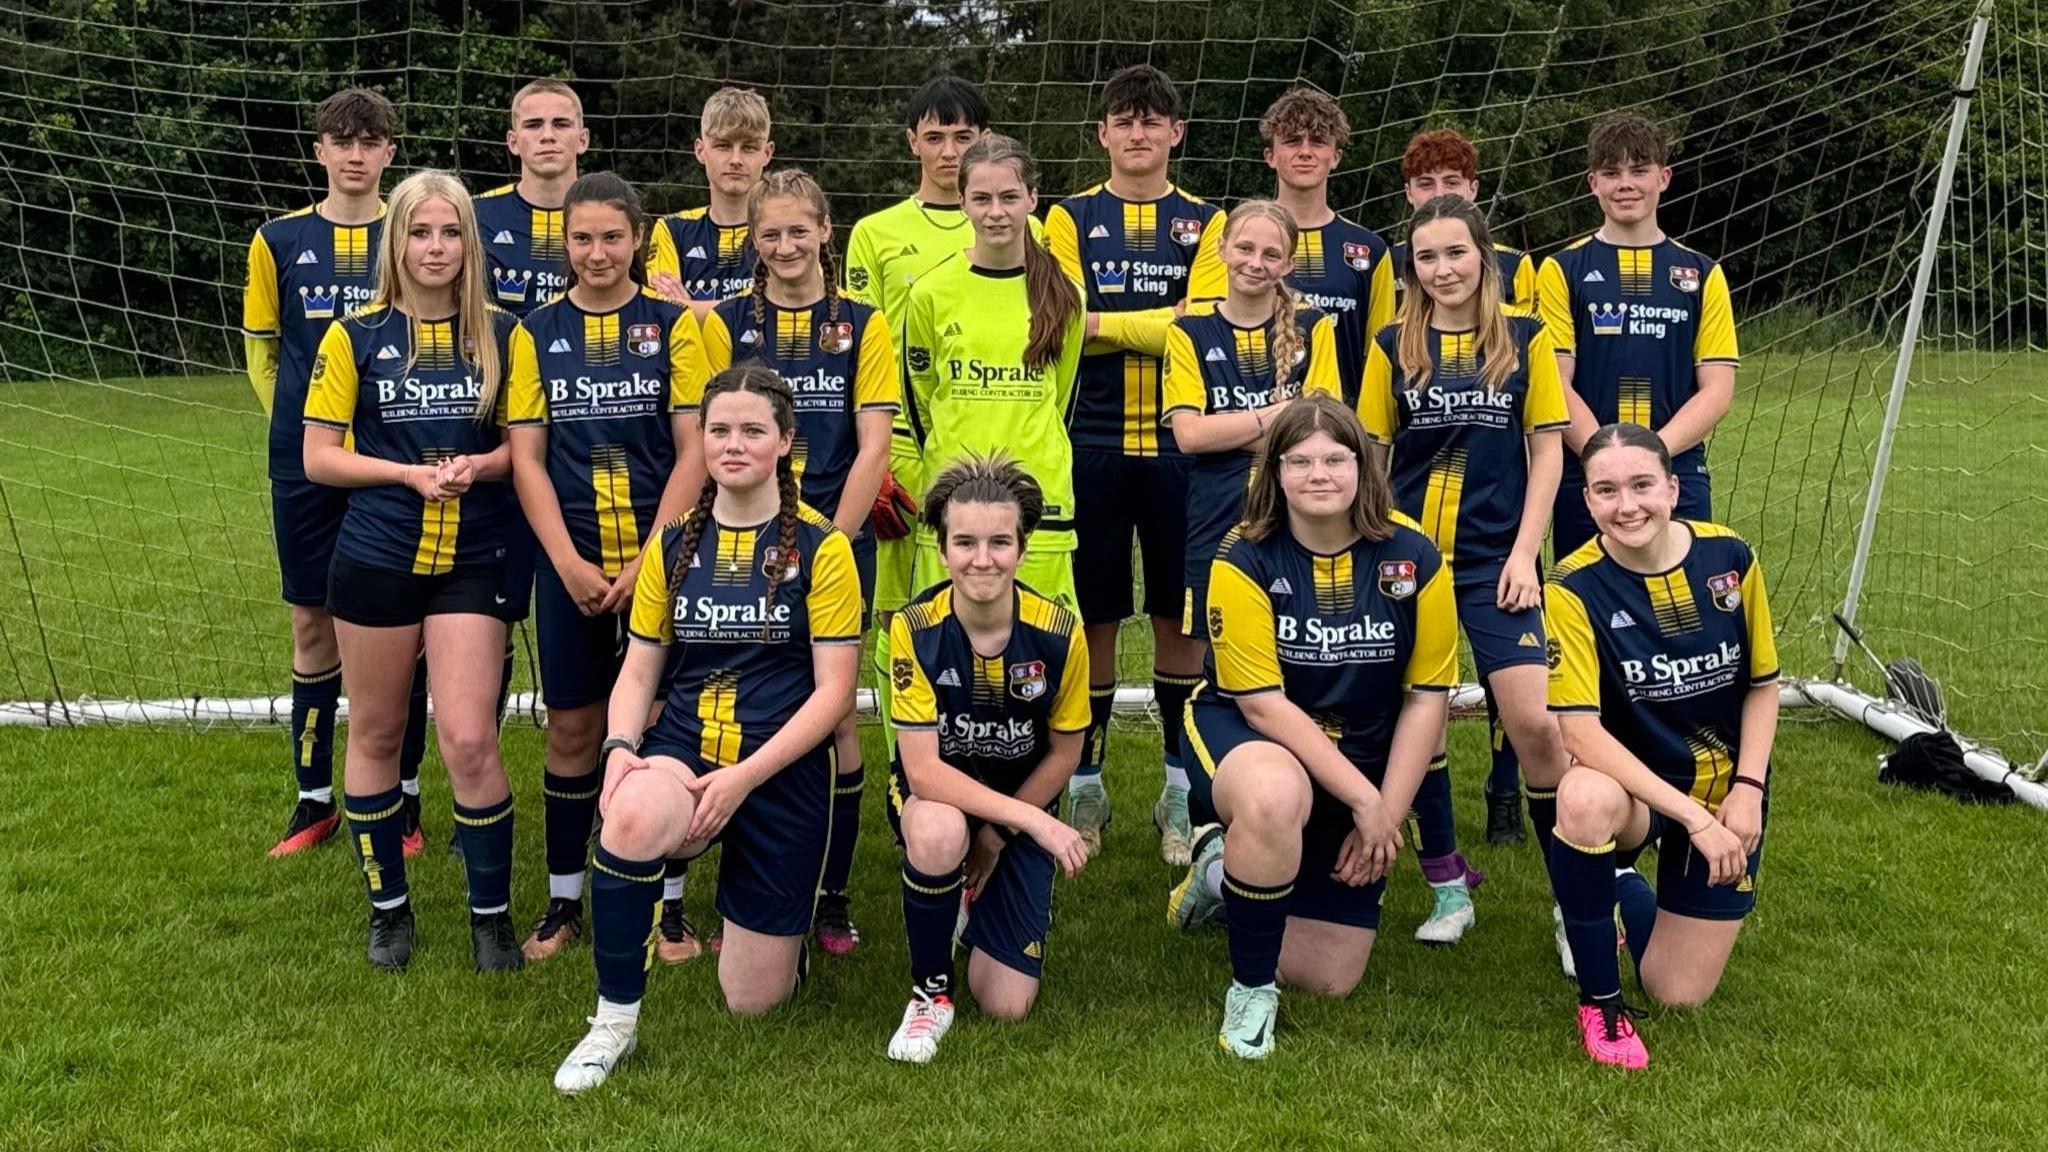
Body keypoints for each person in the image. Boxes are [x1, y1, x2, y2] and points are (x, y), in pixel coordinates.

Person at [552, 364, 863, 1095]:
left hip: (779, 772)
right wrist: (622, 751)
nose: (733, 445)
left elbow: (835, 695)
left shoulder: (823, 549)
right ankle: (613, 1024)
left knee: (754, 1004)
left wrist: (745, 779)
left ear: (785, 443)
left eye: (753, 430)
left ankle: (767, 934)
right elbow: (639, 671)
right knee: (628, 816)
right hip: (686, 754)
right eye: (719, 429)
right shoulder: (671, 546)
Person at [1165, 394, 1457, 1059]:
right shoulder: (1244, 554)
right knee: (1274, 798)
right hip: (1251, 734)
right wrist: (1367, 802)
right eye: (1299, 461)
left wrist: (1388, 810)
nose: (1319, 474)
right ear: (1275, 473)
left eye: (1335, 458)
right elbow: (1263, 703)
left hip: (1358, 750)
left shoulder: (1414, 554)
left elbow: (1426, 700)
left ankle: (1220, 876)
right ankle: (1250, 989)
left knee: (1327, 977)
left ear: (1363, 467)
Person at [300, 170, 522, 972]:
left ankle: (490, 918)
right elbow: (318, 459)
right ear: (396, 242)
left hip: (472, 555)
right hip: (377, 555)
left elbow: (524, 452)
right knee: (381, 732)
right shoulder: (352, 335)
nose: (436, 248)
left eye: (451, 232)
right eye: (420, 233)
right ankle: (388, 911)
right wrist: (404, 476)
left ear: (471, 243)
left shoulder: (505, 334)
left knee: (468, 736)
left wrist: (479, 464)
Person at [1358, 195, 1574, 947]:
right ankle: (1449, 888)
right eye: (1427, 257)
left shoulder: (1525, 337)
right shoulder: (1391, 344)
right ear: (1410, 268)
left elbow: (1547, 451)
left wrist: (1524, 554)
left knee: (1536, 725)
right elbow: (1372, 461)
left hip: (1495, 564)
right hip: (1409, 567)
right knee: (1420, 726)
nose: (1443, 268)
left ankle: (1572, 898)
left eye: (1456, 252)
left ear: (1483, 254)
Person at [506, 171, 708, 963]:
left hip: (665, 563)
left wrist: (653, 561)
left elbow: (693, 449)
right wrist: (565, 561)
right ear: (566, 243)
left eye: (612, 238)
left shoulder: (672, 326)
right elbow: (526, 459)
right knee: (573, 729)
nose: (597, 252)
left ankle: (669, 908)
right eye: (582, 239)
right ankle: (564, 903)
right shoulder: (536, 331)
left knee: (665, 730)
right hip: (573, 567)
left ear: (637, 241)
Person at [701, 167, 898, 955]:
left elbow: (874, 443)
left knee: (836, 717)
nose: (785, 246)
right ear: (754, 240)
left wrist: (831, 546)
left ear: (826, 230)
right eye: (769, 233)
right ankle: (739, 895)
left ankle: (833, 895)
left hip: (832, 548)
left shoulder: (863, 323)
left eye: (798, 230)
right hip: (736, 545)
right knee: (734, 711)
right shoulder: (723, 323)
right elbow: (712, 438)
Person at [1543, 422, 1778, 1069]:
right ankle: (1601, 1004)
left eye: (1643, 484)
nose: (1628, 505)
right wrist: (1693, 818)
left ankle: (1614, 886)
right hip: (1634, 791)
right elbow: (1580, 733)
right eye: (1607, 490)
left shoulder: (1729, 558)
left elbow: (1762, 685)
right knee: (1583, 797)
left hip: (1724, 787)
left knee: (1678, 993)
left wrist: (1749, 792)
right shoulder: (1570, 586)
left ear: (1674, 488)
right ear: (1587, 502)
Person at [245, 88, 441, 858]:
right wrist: (298, 429)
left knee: (410, 628)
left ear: (390, 151)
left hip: (400, 457)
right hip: (310, 465)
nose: (356, 154)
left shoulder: (418, 231)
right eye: (341, 141)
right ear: (320, 151)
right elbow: (262, 347)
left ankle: (407, 799)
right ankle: (313, 798)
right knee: (311, 623)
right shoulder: (278, 239)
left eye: (371, 141)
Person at [1043, 63, 1226, 865]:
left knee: (1181, 620)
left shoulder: (1209, 222)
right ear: (1103, 133)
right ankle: (1087, 782)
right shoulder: (1067, 217)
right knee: (1097, 618)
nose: (1139, 132)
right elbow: (1065, 326)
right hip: (1091, 443)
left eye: (1154, 120)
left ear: (1176, 133)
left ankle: (1180, 788)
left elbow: (1207, 324)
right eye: (1125, 119)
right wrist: (1163, 319)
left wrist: (1111, 321)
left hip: (1186, 448)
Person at [897, 135, 1086, 813]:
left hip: (1043, 516)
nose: (997, 211)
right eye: (982, 197)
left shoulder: (1064, 293)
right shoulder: (930, 292)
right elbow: (919, 403)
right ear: (962, 199)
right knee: (943, 669)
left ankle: (1031, 825)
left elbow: (1057, 401)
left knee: (1042, 669)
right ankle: (933, 821)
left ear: (1033, 199)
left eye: (1010, 196)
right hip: (957, 517)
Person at [883, 454, 1092, 1064]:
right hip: (944, 796)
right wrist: (1034, 822)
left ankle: (965, 905)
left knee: (1006, 1004)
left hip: (1019, 804)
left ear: (1023, 549)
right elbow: (923, 772)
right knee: (940, 827)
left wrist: (1002, 831)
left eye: (1000, 542)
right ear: (942, 550)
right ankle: (929, 996)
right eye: (965, 542)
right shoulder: (913, 628)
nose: (983, 558)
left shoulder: (1059, 632)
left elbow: (1065, 752)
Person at [842, 76, 1000, 753]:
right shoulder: (876, 233)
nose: (949, 150)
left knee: (979, 596)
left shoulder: (1009, 220)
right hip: (901, 448)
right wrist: (868, 458)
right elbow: (858, 351)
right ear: (912, 142)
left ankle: (981, 740)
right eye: (935, 136)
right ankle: (905, 758)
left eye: (963, 137)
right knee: (898, 611)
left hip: (984, 449)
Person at [1536, 112, 1740, 558]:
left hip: (1674, 466)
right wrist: (1605, 459)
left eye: (1639, 171)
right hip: (1588, 469)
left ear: (1663, 177)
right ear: (1593, 183)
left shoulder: (1703, 274)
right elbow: (1555, 382)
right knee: (1587, 602)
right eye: (1611, 173)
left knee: (1681, 592)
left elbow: (1718, 390)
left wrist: (1648, 455)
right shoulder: (1561, 270)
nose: (1625, 184)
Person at [1162, 199, 1339, 650]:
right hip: (1214, 515)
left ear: (1289, 264)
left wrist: (1228, 432)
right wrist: (1274, 417)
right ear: (1221, 249)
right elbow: (1189, 436)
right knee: (1215, 657)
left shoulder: (1314, 328)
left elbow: (1319, 437)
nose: (1255, 263)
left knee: (1298, 647)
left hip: (1295, 516)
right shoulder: (1188, 332)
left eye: (1270, 254)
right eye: (1244, 248)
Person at [471, 77, 590, 740]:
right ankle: (476, 763)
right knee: (486, 618)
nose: (548, 135)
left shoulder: (615, 217)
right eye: (534, 124)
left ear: (583, 137)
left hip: (585, 443)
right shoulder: (477, 219)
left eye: (560, 123)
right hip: (493, 443)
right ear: (513, 140)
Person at [1256, 87, 1395, 407]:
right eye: (1292, 141)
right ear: (1271, 156)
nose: (1305, 151)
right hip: (1258, 425)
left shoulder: (1370, 249)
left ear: (1336, 157)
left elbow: (1380, 352)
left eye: (1318, 142)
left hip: (1342, 426)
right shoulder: (1243, 242)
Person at [648, 86, 773, 310]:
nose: (736, 159)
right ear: (700, 150)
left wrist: (691, 307)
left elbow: (785, 312)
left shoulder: (784, 230)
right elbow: (666, 315)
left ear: (767, 153)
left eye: (749, 147)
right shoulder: (671, 230)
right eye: (723, 145)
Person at [1388, 129, 1537, 310]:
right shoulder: (1386, 263)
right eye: (1426, 184)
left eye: (1451, 182)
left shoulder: (1514, 266)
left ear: (1473, 189)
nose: (1439, 194)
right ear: (1409, 193)